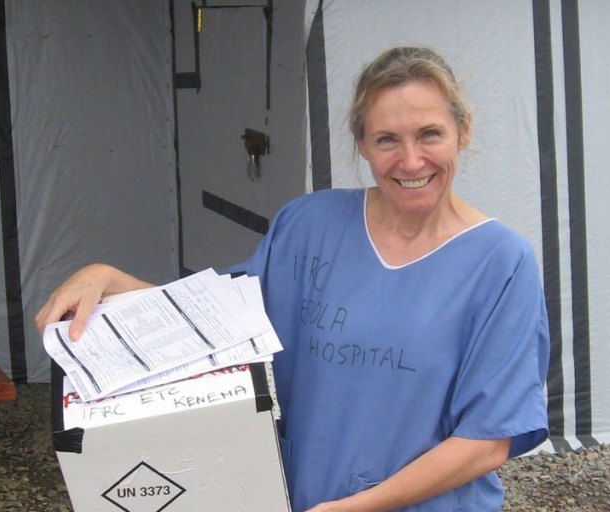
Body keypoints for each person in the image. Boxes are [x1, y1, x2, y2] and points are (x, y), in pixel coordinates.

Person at [36, 46, 549, 511]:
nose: (411, 160)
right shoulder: (310, 226)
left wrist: (357, 507)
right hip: (301, 497)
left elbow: (487, 441)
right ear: (362, 145)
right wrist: (109, 279)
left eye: (430, 134)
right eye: (387, 139)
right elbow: (219, 325)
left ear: (464, 129)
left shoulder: (500, 263)